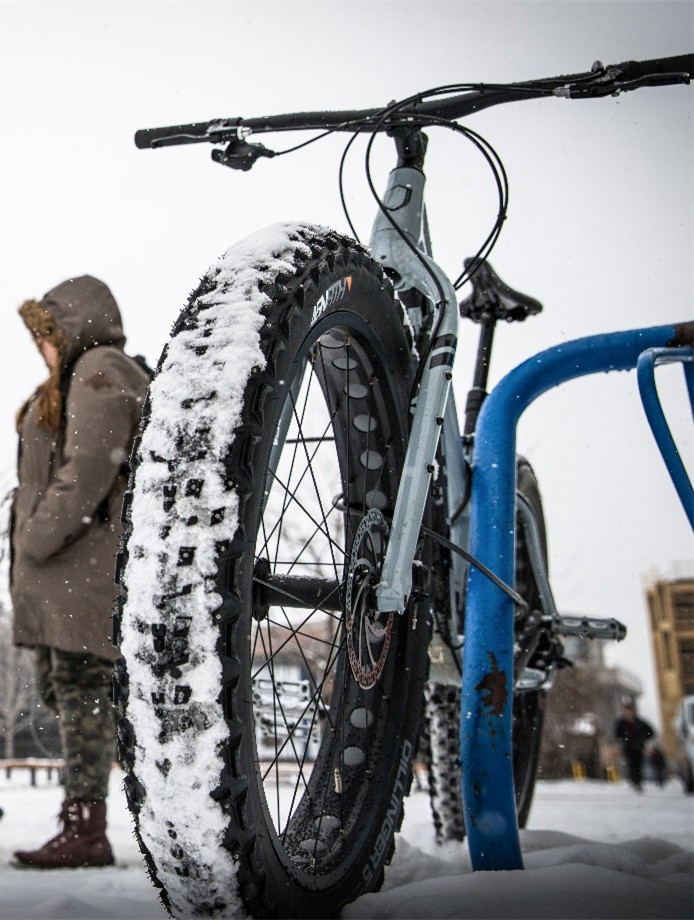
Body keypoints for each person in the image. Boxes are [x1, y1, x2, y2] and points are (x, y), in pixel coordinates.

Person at [9, 276, 150, 868]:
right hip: (62, 574)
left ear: (70, 329)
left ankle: (86, 828)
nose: (41, 349)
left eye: (46, 336)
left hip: (79, 570)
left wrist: (36, 534)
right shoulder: (75, 378)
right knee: (64, 693)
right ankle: (91, 815)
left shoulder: (100, 370)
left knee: (82, 696)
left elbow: (88, 470)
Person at [614, 700, 654, 792]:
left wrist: (642, 739)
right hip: (628, 747)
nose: (628, 713)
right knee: (631, 764)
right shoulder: (621, 723)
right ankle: (634, 781)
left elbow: (650, 732)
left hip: (638, 747)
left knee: (638, 764)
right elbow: (617, 733)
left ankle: (638, 782)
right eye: (627, 711)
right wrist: (623, 739)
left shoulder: (640, 723)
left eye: (630, 711)